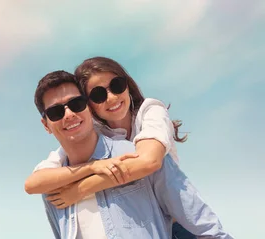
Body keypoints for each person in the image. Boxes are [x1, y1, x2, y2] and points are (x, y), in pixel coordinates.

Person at [27, 70, 231, 238]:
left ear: (88, 107)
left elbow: (208, 229)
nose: (69, 115)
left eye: (76, 104)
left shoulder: (138, 151)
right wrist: (92, 168)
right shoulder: (53, 184)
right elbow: (32, 184)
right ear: (46, 125)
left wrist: (83, 188)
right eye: (55, 112)